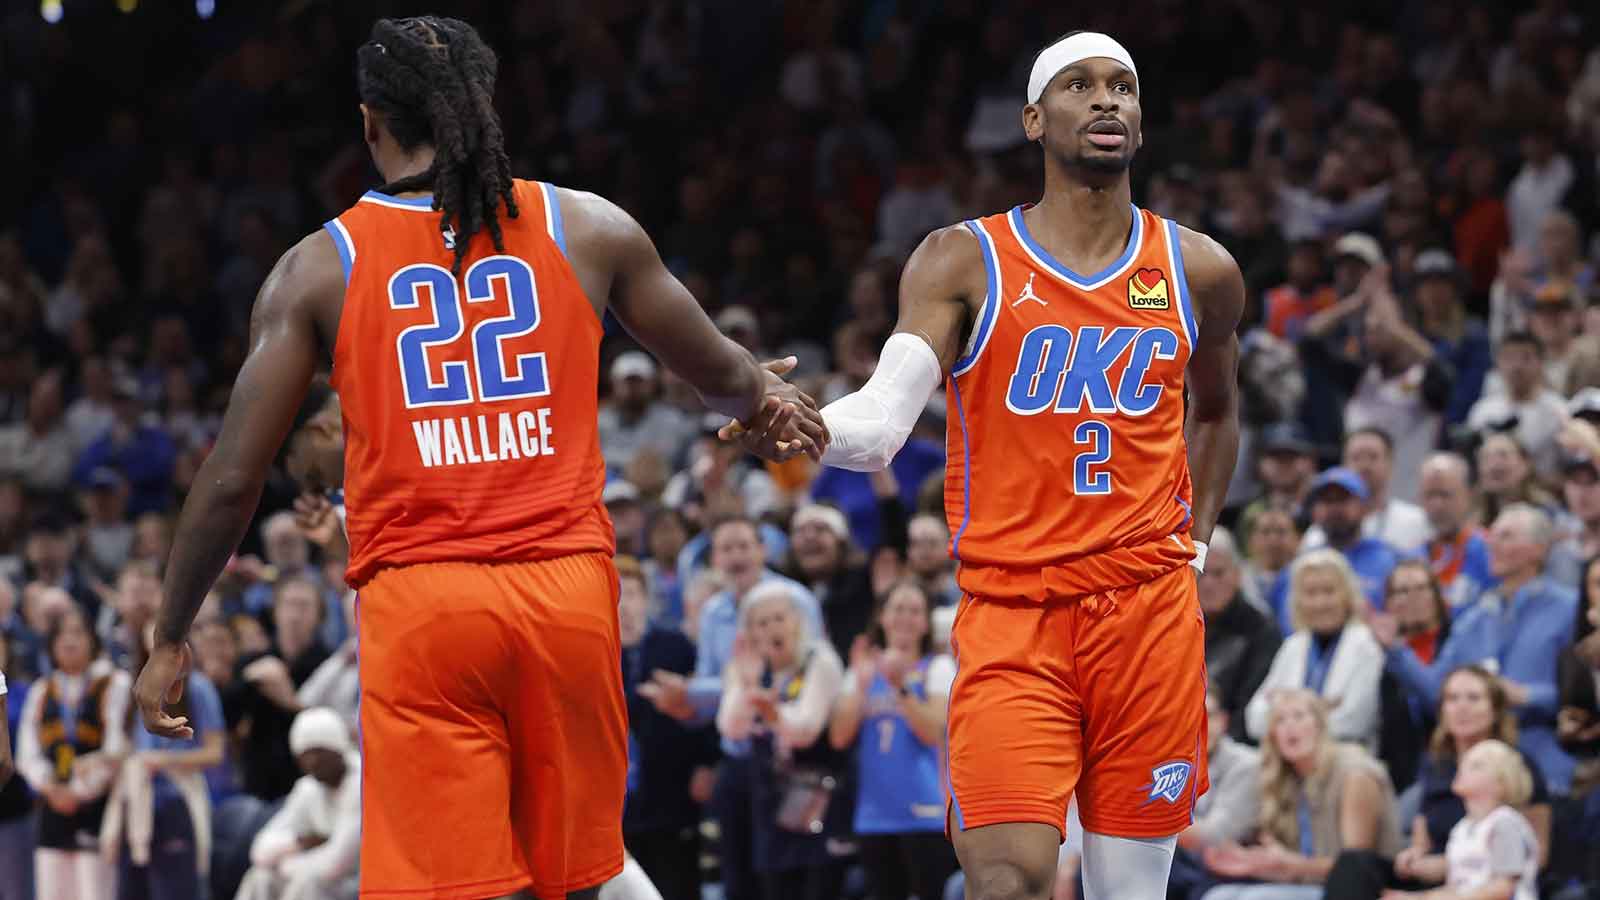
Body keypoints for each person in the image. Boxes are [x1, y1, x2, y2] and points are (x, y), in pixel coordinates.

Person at [134, 15, 825, 900]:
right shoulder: (588, 225)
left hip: (427, 607)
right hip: (566, 595)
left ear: (370, 123)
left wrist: (170, 633)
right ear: (480, 107)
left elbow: (232, 480)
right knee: (574, 880)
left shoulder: (317, 268)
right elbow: (718, 370)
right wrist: (763, 405)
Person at [784, 31, 1245, 900]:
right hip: (1014, 612)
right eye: (1079, 86)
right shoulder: (964, 257)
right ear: (1034, 120)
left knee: (1128, 889)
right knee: (1007, 877)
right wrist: (807, 426)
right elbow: (883, 420)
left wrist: (1201, 542)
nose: (1106, 100)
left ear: (1141, 123)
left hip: (1148, 611)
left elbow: (1217, 411)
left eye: (1123, 88)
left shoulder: (1199, 268)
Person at [1379, 504, 1579, 792]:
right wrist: (1396, 649)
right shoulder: (1474, 617)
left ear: (1538, 549)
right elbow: (1436, 690)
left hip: (1544, 765)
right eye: (1492, 536)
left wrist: (1527, 695)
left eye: (1506, 536)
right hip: (1471, 770)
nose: (1492, 543)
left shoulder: (1568, 610)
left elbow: (1584, 701)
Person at [1322, 669, 1552, 900]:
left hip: (1486, 881)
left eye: (1473, 698)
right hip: (1447, 879)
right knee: (1355, 865)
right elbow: (1423, 842)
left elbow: (1533, 856)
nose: (1462, 707)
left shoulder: (1516, 767)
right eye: (1452, 698)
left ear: (1495, 710)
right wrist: (1415, 858)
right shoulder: (1438, 765)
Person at [1201, 690, 1403, 900]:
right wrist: (1251, 864)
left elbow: (1357, 870)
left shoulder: (1355, 774)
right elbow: (1290, 865)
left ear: (1319, 725)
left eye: (1299, 716)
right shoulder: (1287, 778)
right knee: (1218, 895)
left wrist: (1289, 864)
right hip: (1307, 884)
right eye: (1280, 720)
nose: (1290, 726)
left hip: (1355, 891)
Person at [829, 580, 960, 900]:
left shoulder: (937, 667)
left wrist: (901, 687)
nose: (905, 617)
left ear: (926, 622)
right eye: (898, 609)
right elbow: (839, 737)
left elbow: (933, 732)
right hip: (874, 813)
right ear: (882, 617)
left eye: (915, 610)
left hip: (925, 809)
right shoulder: (862, 670)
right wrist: (860, 687)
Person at [716, 581, 847, 900]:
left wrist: (773, 714)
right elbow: (730, 728)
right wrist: (746, 688)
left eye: (779, 618)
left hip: (819, 801)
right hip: (770, 803)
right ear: (749, 632)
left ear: (798, 621)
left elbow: (806, 729)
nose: (772, 629)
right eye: (761, 622)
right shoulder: (745, 668)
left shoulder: (820, 660)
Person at [16, 607, 129, 900]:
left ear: (93, 640)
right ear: (52, 644)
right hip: (51, 807)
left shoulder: (113, 684)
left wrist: (78, 792)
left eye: (78, 633)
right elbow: (27, 755)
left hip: (97, 807)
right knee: (51, 892)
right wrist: (51, 788)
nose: (69, 641)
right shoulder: (42, 690)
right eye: (63, 634)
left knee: (94, 892)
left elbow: (117, 748)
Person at [1245, 550, 1386, 749]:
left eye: (1329, 591)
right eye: (1311, 593)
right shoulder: (1293, 645)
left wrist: (1284, 712)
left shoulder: (1366, 645)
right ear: (1298, 600)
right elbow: (1254, 718)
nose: (1320, 603)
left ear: (1347, 596)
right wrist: (1323, 707)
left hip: (1346, 762)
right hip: (1289, 765)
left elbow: (1354, 722)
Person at [1378, 741, 1541, 900]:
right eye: (1464, 762)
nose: (1463, 767)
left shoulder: (1505, 823)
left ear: (1502, 783)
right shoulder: (1462, 828)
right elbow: (1456, 881)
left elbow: (1503, 889)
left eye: (1477, 765)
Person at [233, 707, 361, 900]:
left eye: (319, 752)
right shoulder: (307, 788)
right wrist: (300, 842)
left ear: (338, 749)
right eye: (305, 754)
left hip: (357, 882)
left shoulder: (361, 784)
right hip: (308, 869)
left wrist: (288, 864)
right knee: (261, 877)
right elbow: (260, 851)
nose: (313, 761)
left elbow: (334, 866)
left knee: (306, 883)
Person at [1198, 529, 1280, 740]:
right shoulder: (1177, 624)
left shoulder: (1261, 630)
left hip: (1234, 746)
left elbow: (1247, 710)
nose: (1208, 583)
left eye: (1218, 573)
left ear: (1237, 575)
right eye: (1202, 573)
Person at [1416, 453, 1494, 610]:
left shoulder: (1492, 551)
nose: (1438, 505)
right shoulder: (1414, 557)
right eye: (1430, 495)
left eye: (1445, 494)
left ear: (1469, 495)